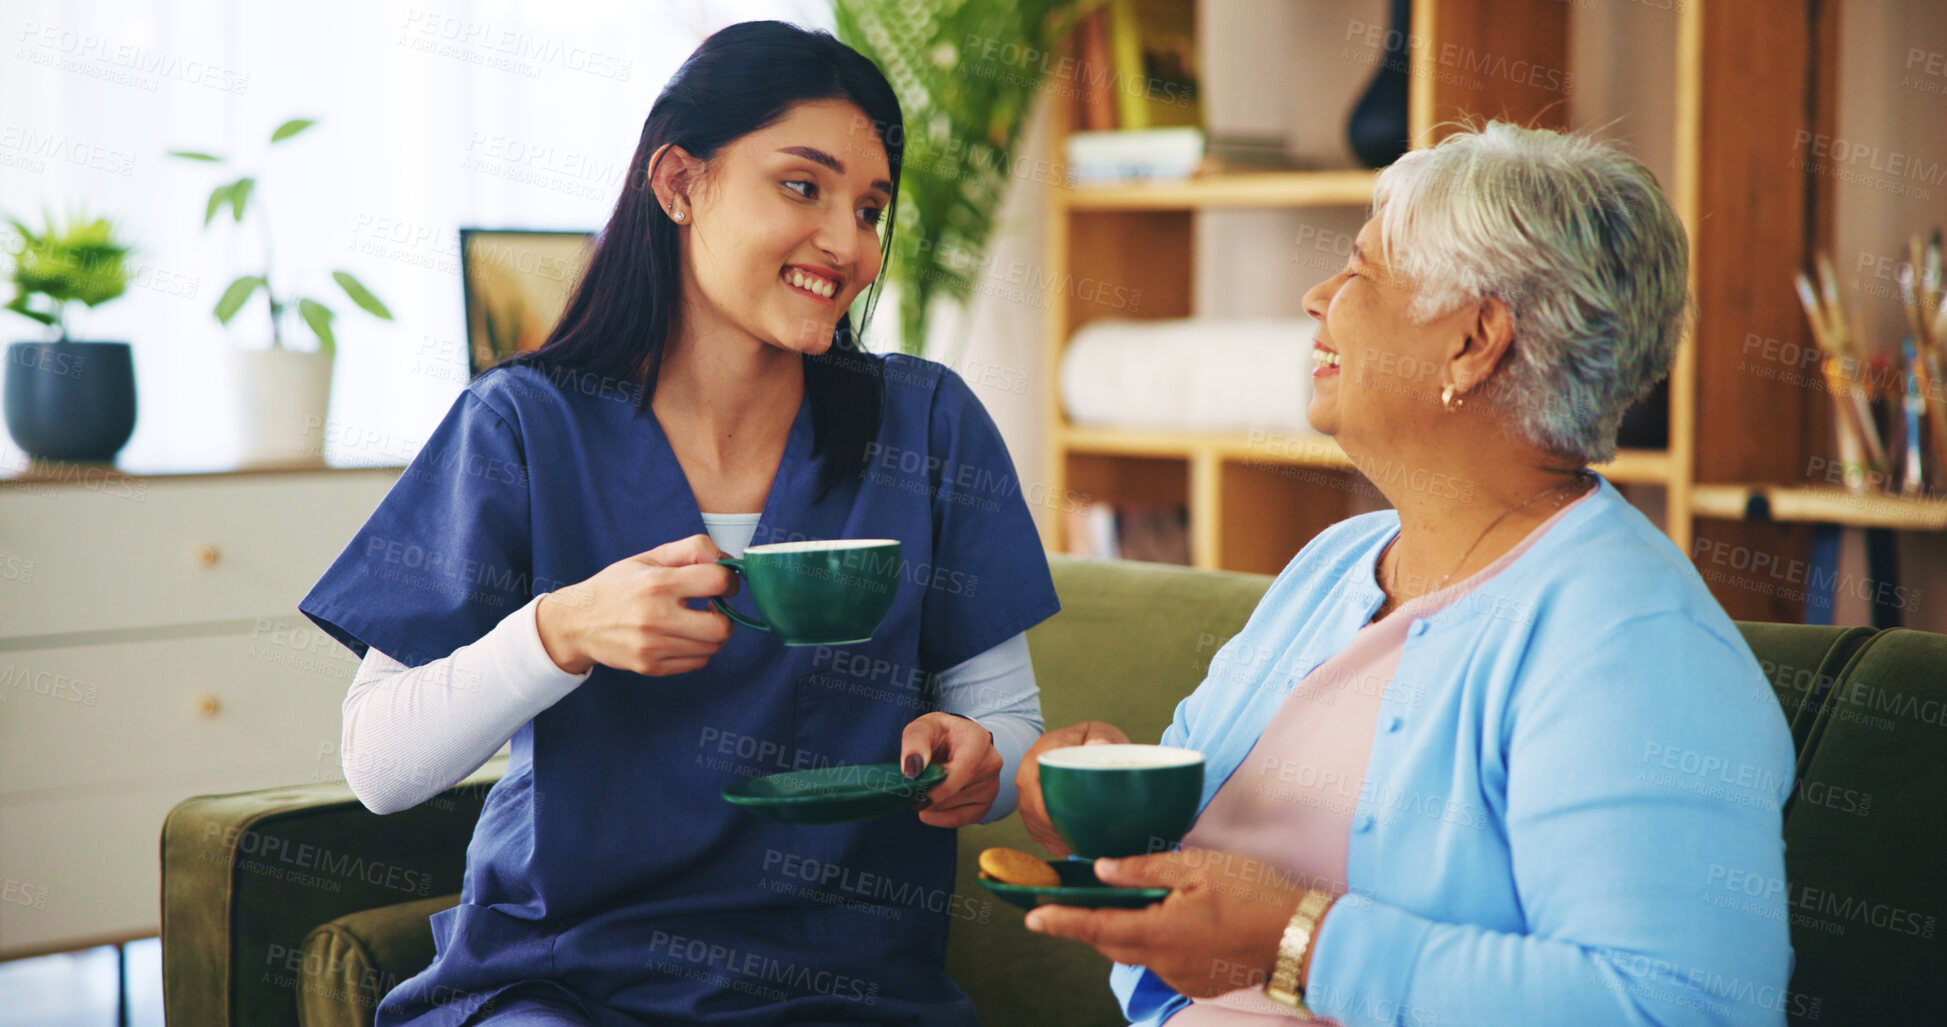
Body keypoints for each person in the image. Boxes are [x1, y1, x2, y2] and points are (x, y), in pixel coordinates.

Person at [299, 21, 1058, 1027]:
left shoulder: (926, 425)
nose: (848, 242)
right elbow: (381, 767)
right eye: (803, 186)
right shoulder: (525, 426)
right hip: (562, 975)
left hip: (850, 988)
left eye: (871, 208)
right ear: (679, 183)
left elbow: (1008, 724)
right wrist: (560, 631)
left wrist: (976, 756)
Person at [1016, 122, 1796, 1026]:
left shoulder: (1636, 646)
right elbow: (1200, 853)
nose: (1316, 298)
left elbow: (1681, 1009)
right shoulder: (1336, 564)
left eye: (1360, 274)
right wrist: (1099, 813)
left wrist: (1299, 945)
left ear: (1473, 342)